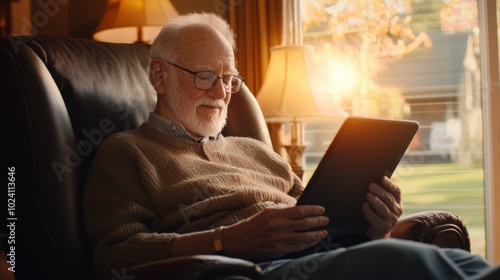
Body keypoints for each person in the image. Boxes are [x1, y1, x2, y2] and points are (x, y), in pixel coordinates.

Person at [83, 12, 499, 279]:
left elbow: (321, 216)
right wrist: (228, 239)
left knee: (467, 264)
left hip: (324, 256)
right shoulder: (127, 153)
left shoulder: (255, 151)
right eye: (206, 75)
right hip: (259, 270)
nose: (222, 92)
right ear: (159, 77)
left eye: (230, 80)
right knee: (411, 262)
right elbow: (115, 255)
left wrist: (376, 223)